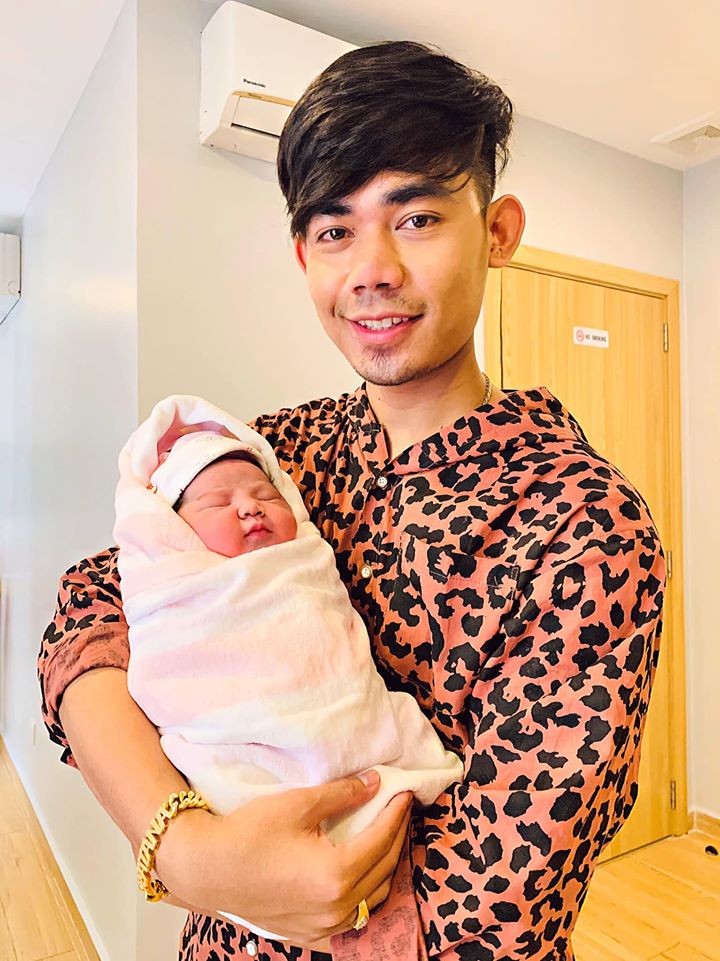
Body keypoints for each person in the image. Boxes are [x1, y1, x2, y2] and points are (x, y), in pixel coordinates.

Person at [38, 39, 666, 961]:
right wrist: (184, 848)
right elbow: (88, 608)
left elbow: (498, 905)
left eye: (417, 217)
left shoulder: (583, 523)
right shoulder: (274, 456)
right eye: (335, 231)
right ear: (303, 255)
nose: (372, 268)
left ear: (498, 231)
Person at [115, 393, 463, 945]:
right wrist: (183, 852)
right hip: (234, 874)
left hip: (408, 857)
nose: (250, 508)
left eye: (264, 495)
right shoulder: (179, 585)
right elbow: (82, 610)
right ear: (173, 533)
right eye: (217, 503)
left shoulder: (299, 559)